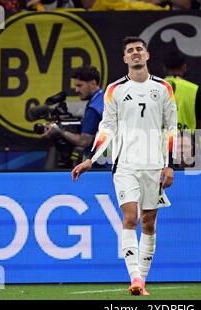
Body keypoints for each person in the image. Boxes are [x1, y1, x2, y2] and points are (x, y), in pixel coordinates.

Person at [72, 36, 177, 296]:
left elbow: (171, 128)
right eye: (130, 50)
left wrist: (169, 165)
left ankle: (143, 277)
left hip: (154, 165)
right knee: (130, 219)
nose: (135, 53)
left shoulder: (164, 88)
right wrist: (90, 159)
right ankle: (135, 279)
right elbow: (106, 128)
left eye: (139, 49)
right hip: (125, 164)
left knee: (149, 223)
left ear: (147, 55)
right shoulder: (114, 90)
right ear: (124, 58)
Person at [41, 65, 104, 167]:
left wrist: (58, 130)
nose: (76, 90)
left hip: (103, 165)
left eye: (80, 85)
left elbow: (84, 141)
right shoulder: (104, 98)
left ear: (93, 83)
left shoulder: (94, 108)